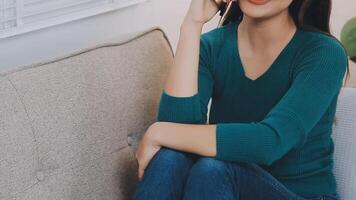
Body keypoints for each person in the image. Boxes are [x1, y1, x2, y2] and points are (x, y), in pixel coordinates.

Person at [133, 0, 351, 199]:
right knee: (170, 158)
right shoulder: (212, 46)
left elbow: (270, 142)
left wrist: (159, 131)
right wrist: (192, 24)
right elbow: (177, 137)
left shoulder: (324, 53)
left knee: (212, 169)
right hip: (222, 188)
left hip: (298, 194)